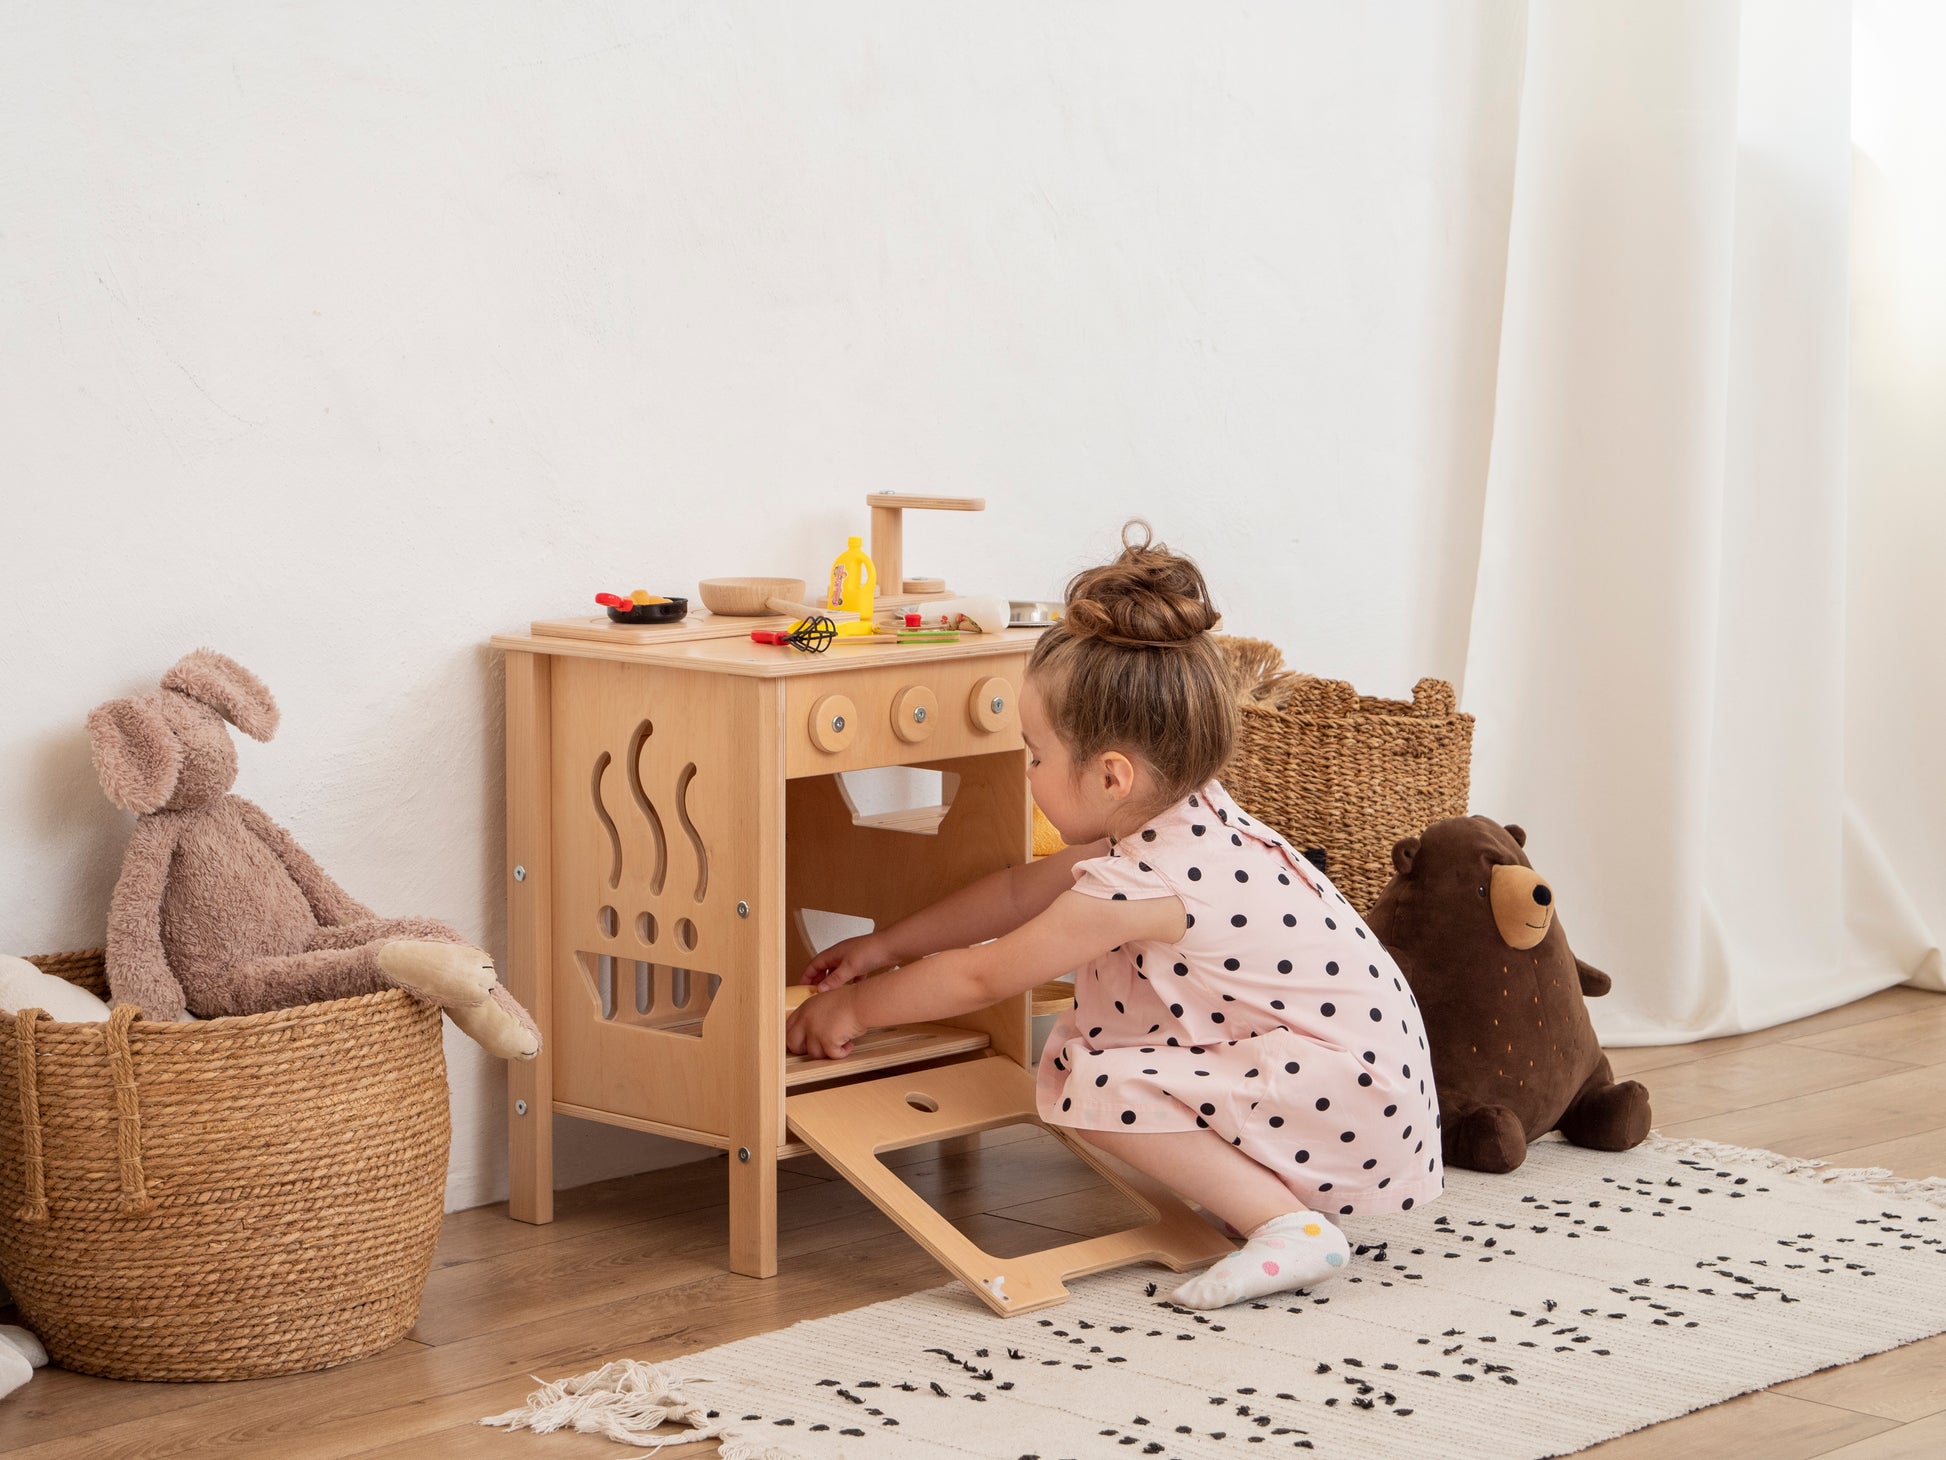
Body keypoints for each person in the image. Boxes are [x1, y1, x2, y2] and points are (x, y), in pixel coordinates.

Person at [784, 522, 1442, 1307]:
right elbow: (1016, 892)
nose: (1027, 775)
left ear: (1111, 777)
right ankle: (1258, 1199)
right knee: (1113, 1065)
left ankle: (1288, 1226)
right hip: (1363, 1084)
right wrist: (882, 947)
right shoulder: (1183, 819)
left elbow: (986, 972)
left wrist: (853, 1009)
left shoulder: (1151, 879)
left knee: (1089, 1080)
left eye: (1034, 755)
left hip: (1348, 1100)